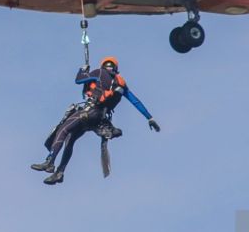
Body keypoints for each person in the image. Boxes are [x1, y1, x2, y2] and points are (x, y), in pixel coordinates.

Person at [31, 56, 160, 184]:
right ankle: (59, 173)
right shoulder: (120, 84)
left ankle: (50, 162)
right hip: (99, 119)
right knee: (70, 138)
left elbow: (79, 80)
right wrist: (150, 118)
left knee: (63, 130)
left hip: (88, 112)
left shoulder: (99, 72)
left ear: (103, 65)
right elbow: (135, 101)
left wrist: (83, 70)